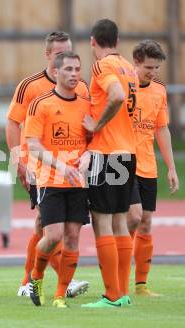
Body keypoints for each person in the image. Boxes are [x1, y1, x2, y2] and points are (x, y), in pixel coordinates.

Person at [6, 31, 90, 298]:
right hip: (39, 166)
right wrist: (19, 160)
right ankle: (30, 279)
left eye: (68, 53)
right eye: (58, 54)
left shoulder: (83, 89)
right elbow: (12, 123)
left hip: (75, 171)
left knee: (52, 227)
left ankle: (45, 281)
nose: (63, 60)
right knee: (46, 224)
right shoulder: (30, 86)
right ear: (48, 55)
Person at [25, 51, 92, 308]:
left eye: (77, 69)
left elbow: (93, 138)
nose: (74, 74)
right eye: (68, 70)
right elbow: (33, 144)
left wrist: (87, 155)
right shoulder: (40, 104)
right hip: (51, 179)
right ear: (56, 72)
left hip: (78, 182)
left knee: (73, 237)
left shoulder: (86, 104)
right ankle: (37, 277)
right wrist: (61, 165)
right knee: (53, 236)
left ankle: (60, 295)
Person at [81, 19, 138, 308]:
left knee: (101, 222)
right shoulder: (129, 67)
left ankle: (112, 295)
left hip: (106, 153)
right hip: (128, 152)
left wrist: (96, 124)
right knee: (119, 223)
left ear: (93, 41)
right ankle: (123, 292)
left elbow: (116, 96)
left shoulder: (103, 66)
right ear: (117, 39)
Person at [126, 40, 180, 296]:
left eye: (157, 68)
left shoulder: (159, 90)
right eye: (149, 67)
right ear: (136, 62)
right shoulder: (123, 86)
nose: (153, 72)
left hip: (148, 165)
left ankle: (140, 285)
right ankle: (116, 280)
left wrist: (171, 167)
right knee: (131, 219)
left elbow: (161, 128)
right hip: (122, 163)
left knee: (145, 223)